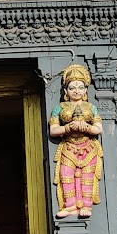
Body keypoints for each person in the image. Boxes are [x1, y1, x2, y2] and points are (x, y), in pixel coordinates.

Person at [49, 63, 103, 217]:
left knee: (87, 177)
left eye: (80, 87)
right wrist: (67, 128)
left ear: (85, 90)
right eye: (72, 88)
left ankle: (86, 206)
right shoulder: (60, 107)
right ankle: (70, 206)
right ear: (66, 91)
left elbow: (98, 128)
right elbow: (53, 130)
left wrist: (87, 127)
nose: (76, 91)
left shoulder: (91, 107)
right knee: (66, 175)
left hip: (89, 147)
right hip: (69, 147)